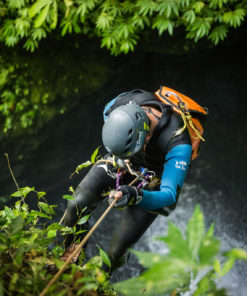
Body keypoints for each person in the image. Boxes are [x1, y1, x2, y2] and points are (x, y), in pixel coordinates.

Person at [62, 87, 206, 271]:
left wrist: (135, 195)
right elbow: (106, 111)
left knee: (117, 250)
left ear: (146, 135)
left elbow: (169, 196)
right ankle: (69, 264)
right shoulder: (123, 102)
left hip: (154, 178)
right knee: (76, 205)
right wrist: (120, 155)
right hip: (122, 159)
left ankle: (99, 282)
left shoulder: (177, 142)